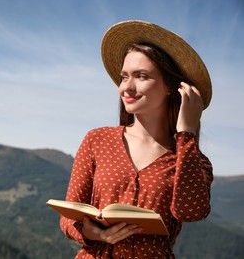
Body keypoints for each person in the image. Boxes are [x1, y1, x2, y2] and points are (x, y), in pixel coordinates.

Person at [59, 20, 213, 258]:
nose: (126, 88)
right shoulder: (97, 140)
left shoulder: (191, 159)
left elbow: (190, 211)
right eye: (123, 77)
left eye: (141, 76)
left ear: (171, 87)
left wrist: (186, 133)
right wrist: (94, 234)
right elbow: (69, 218)